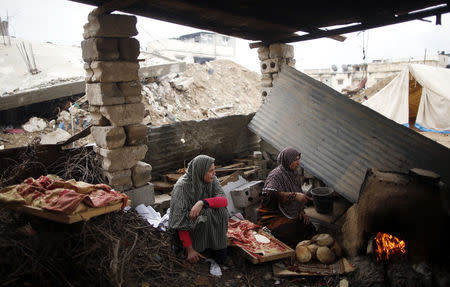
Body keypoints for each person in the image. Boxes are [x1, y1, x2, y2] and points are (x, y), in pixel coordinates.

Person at [168, 155, 232, 265]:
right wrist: (190, 250)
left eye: (214, 170)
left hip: (202, 222)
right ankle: (197, 250)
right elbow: (180, 221)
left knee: (221, 212)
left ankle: (218, 251)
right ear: (200, 171)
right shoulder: (182, 187)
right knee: (203, 214)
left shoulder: (212, 180)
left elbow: (223, 201)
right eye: (210, 171)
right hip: (188, 231)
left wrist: (202, 203)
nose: (214, 173)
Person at [257, 147, 316, 248]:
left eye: (298, 159)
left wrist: (301, 211)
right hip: (272, 215)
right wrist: (294, 196)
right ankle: (267, 231)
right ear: (286, 160)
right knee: (291, 236)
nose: (298, 162)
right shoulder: (276, 175)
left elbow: (298, 192)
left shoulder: (294, 174)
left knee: (310, 228)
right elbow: (269, 194)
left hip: (288, 213)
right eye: (294, 160)